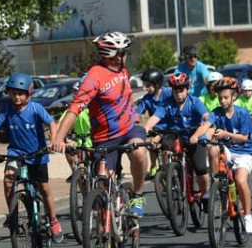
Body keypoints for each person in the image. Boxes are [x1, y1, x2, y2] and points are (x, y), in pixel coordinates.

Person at [51, 31, 149, 220]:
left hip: (129, 129)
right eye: (122, 53)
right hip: (105, 138)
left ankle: (138, 195)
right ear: (113, 56)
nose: (126, 56)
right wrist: (59, 138)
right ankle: (102, 240)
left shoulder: (122, 70)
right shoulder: (94, 77)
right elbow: (75, 108)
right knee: (105, 187)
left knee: (138, 151)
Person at [0, 72, 63, 243]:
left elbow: (51, 122)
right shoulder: (6, 110)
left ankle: (53, 220)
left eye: (20, 93)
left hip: (37, 155)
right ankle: (12, 213)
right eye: (12, 93)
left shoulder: (36, 108)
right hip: (16, 154)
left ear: (29, 93)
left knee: (44, 187)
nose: (16, 97)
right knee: (8, 181)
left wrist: (54, 139)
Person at [192, 77, 252, 233]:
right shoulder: (216, 113)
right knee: (213, 148)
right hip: (227, 149)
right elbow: (206, 126)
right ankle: (216, 182)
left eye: (226, 97)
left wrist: (225, 133)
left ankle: (248, 216)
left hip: (244, 152)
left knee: (241, 180)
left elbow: (245, 137)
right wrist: (197, 137)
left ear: (234, 96)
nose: (222, 100)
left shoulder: (242, 113)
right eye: (220, 97)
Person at [142, 73, 210, 204]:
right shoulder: (166, 104)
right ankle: (172, 178)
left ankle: (205, 192)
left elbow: (205, 114)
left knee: (200, 169)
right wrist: (145, 129)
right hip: (175, 135)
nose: (178, 94)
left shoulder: (194, 102)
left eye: (181, 90)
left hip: (194, 136)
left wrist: (207, 120)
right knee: (166, 150)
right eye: (175, 90)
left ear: (187, 89)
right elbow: (155, 118)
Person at [135, 67, 172, 178]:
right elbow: (137, 112)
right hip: (156, 128)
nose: (146, 88)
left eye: (148, 85)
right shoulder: (147, 98)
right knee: (152, 144)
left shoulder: (168, 93)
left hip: (170, 127)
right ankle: (153, 165)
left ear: (157, 84)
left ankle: (168, 172)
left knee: (166, 149)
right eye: (145, 85)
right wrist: (134, 121)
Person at [61, 79, 92, 179]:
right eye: (74, 93)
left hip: (95, 143)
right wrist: (65, 140)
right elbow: (60, 126)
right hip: (79, 143)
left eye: (78, 93)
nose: (75, 96)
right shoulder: (71, 109)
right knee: (69, 150)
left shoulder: (94, 108)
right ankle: (76, 174)